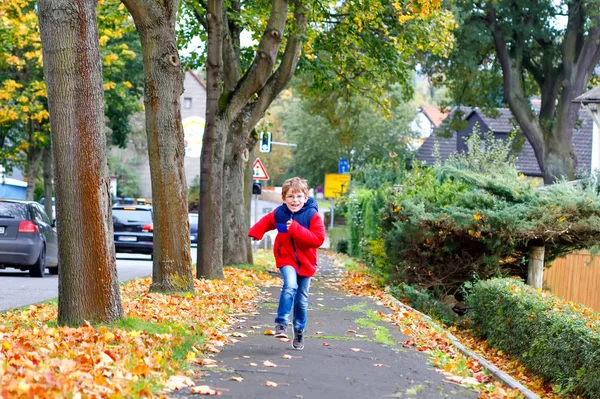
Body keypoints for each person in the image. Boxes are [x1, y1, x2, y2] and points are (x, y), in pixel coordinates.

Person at [248, 177, 325, 350]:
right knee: (290, 285)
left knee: (302, 300)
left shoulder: (312, 215)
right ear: (284, 198)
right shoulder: (280, 213)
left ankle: (299, 331)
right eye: (290, 197)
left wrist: (296, 228)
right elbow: (267, 221)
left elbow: (318, 239)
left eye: (298, 196)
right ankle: (281, 323)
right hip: (286, 258)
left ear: (305, 198)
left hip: (306, 262)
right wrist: (256, 232)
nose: (294, 201)